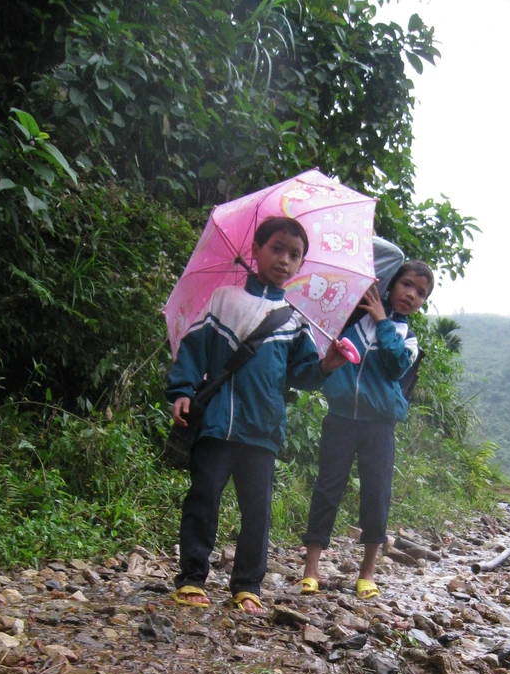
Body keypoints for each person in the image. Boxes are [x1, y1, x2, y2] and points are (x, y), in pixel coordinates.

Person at [166, 216, 348, 613]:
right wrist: (181, 391)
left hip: (263, 428)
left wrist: (328, 363)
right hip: (217, 421)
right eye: (277, 249)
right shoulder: (223, 301)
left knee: (258, 512)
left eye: (295, 255)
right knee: (203, 499)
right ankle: (192, 578)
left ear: (301, 266)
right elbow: (193, 349)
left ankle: (247, 585)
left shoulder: (296, 318)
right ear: (256, 251)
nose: (284, 260)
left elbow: (302, 374)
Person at [300, 257, 434, 599]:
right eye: (407, 285)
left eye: (421, 293)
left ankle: (367, 572)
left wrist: (383, 320)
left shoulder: (408, 337)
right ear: (390, 284)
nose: (411, 295)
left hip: (379, 424)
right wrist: (369, 316)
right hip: (342, 416)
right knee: (327, 488)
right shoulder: (353, 319)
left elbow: (394, 366)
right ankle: (311, 568)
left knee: (376, 495)